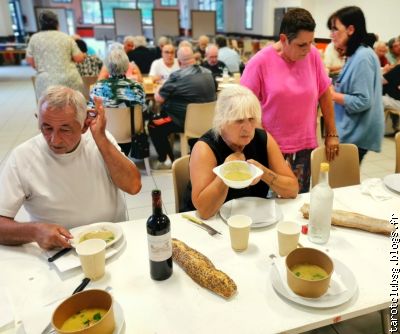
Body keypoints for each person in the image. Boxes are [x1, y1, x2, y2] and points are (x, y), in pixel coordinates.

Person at [0, 85, 142, 250]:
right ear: (37, 119)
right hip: (59, 250)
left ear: (83, 126)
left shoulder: (99, 140)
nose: (54, 140)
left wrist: (101, 139)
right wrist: (34, 231)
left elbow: (133, 186)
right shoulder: (23, 158)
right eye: (46, 128)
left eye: (65, 129)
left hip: (112, 241)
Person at [241, 8, 339, 193]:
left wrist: (331, 134)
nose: (308, 49)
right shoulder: (260, 62)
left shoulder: (313, 56)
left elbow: (324, 93)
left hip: (304, 145)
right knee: (269, 206)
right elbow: (243, 108)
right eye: (302, 45)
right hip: (271, 149)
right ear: (284, 39)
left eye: (311, 42)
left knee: (297, 201)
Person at [183, 85, 299, 219]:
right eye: (239, 120)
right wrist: (225, 172)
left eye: (251, 119)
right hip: (211, 223)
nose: (248, 128)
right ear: (221, 121)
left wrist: (262, 172)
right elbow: (204, 211)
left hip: (251, 218)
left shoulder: (263, 139)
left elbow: (292, 190)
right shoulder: (204, 148)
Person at [329, 6, 384, 162]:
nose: (331, 34)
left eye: (335, 29)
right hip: (351, 130)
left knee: (343, 183)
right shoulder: (356, 54)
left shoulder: (363, 56)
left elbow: (362, 101)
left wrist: (333, 95)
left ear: (350, 29)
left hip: (356, 134)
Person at [149, 46, 216, 170]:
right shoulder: (208, 73)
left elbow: (159, 98)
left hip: (182, 121)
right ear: (194, 59)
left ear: (179, 62)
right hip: (208, 121)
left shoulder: (176, 76)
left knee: (153, 125)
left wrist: (158, 89)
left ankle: (165, 161)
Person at [89, 47, 146, 155]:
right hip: (131, 134)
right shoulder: (137, 87)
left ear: (107, 67)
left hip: (105, 134)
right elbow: (143, 109)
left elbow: (92, 112)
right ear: (126, 66)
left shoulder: (98, 87)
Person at [26, 10, 85, 99]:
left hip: (46, 83)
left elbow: (31, 62)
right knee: (73, 107)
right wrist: (83, 54)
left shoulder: (34, 38)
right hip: (69, 81)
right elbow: (79, 58)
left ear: (41, 25)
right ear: (57, 24)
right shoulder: (66, 37)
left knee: (49, 108)